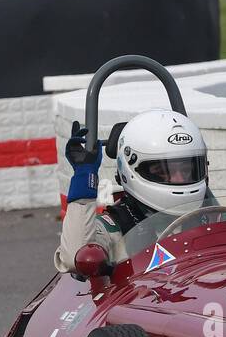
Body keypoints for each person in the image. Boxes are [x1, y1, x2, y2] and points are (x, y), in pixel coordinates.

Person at [56, 109, 211, 273]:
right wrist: (84, 177)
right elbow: (74, 258)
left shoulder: (214, 217)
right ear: (131, 169)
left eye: (187, 169)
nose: (180, 179)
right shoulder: (113, 228)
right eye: (164, 171)